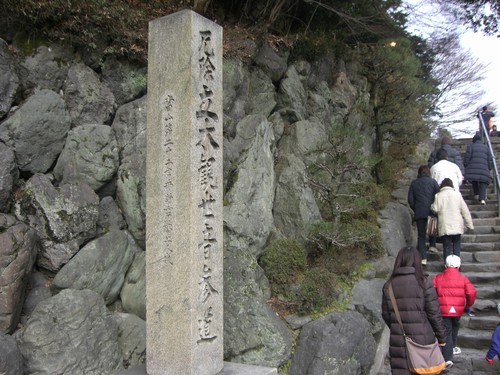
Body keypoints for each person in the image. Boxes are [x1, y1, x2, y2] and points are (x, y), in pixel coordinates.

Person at [381, 246, 446, 375]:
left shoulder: (389, 285)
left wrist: (397, 327)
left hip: (398, 341)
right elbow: (434, 313)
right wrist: (441, 337)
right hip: (423, 339)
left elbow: (386, 314)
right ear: (417, 261)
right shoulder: (424, 282)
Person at [433, 255, 477, 370]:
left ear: (445, 266)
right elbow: (471, 292)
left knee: (446, 331)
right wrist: (468, 305)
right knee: (455, 327)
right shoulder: (463, 278)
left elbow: (430, 290)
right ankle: (449, 354)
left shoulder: (438, 278)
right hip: (458, 310)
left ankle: (448, 356)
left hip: (443, 309)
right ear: (459, 266)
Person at [431, 178, 474, 259]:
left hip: (445, 225)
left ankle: (447, 265)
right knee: (456, 245)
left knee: (447, 246)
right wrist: (469, 225)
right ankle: (456, 265)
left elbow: (435, 209)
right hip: (457, 224)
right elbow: (465, 210)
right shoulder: (457, 194)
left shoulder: (438, 196)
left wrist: (431, 206)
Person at [407, 165, 440, 264]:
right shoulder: (433, 182)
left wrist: (415, 208)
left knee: (421, 236)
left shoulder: (414, 183)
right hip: (431, 211)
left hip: (419, 211)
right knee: (432, 230)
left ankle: (423, 258)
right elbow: (438, 196)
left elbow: (410, 200)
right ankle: (432, 246)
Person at [464, 132, 493, 205]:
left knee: (474, 179)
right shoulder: (486, 148)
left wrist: (466, 165)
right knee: (483, 182)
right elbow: (490, 160)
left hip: (473, 169)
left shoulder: (470, 147)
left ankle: (476, 194)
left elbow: (467, 158)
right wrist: (489, 168)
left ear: (473, 140)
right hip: (484, 169)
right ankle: (482, 199)